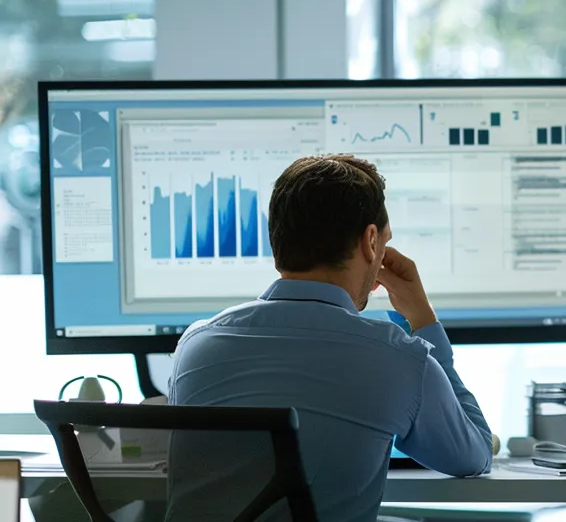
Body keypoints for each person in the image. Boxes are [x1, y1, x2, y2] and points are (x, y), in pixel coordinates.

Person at [167, 155, 494, 521]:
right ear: (371, 241)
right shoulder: (396, 359)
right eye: (384, 241)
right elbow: (474, 455)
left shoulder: (194, 346)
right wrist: (423, 319)